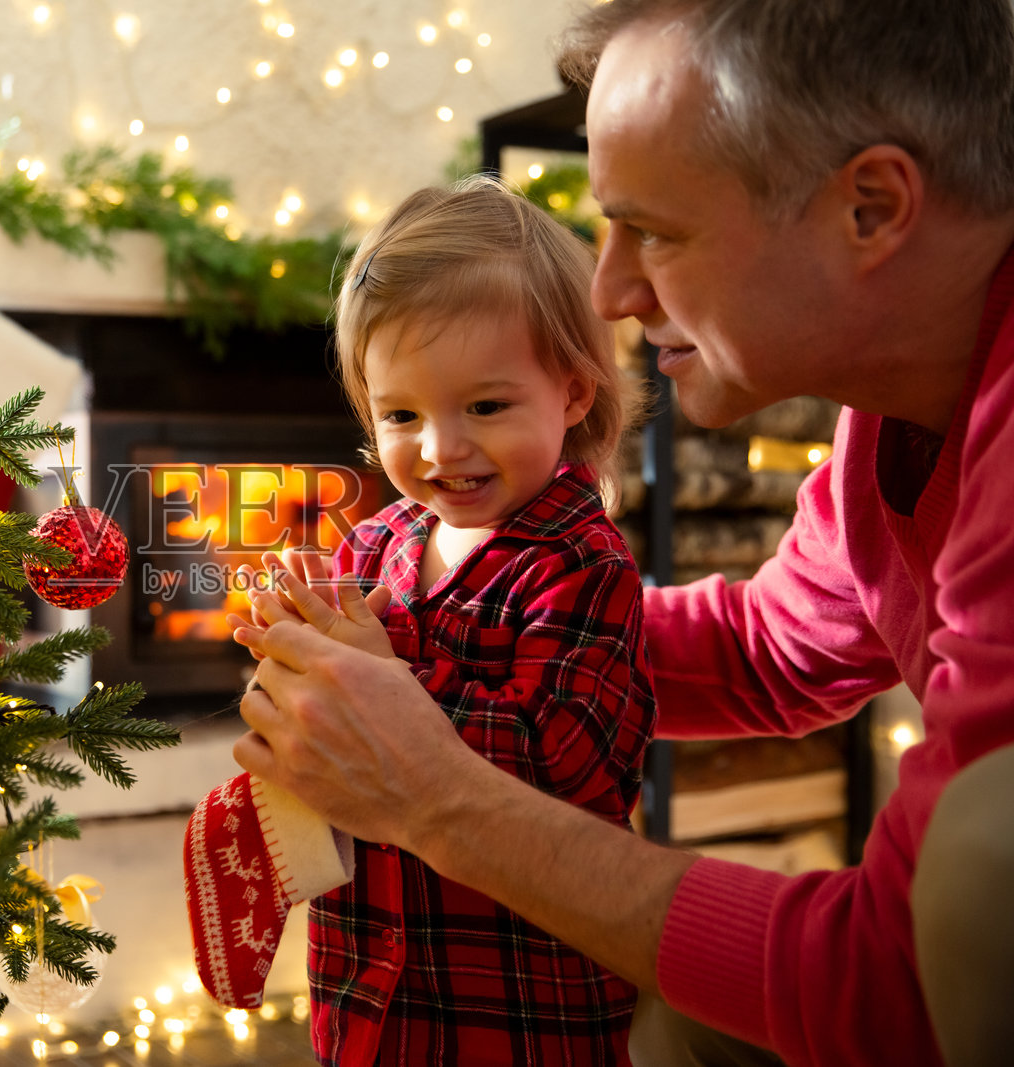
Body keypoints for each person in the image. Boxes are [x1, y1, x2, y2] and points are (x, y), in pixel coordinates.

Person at [231, 1, 1014, 1065]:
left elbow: (898, 981)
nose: (607, 288)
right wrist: (432, 639)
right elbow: (767, 651)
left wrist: (427, 780)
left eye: (652, 227)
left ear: (870, 207)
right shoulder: (887, 427)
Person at [198, 175, 657, 1066]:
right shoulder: (372, 545)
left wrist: (385, 672)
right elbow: (321, 736)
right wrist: (293, 642)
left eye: (485, 406)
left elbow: (567, 763)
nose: (441, 448)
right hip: (369, 985)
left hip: (519, 1001)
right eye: (401, 414)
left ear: (570, 392)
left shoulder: (581, 562)